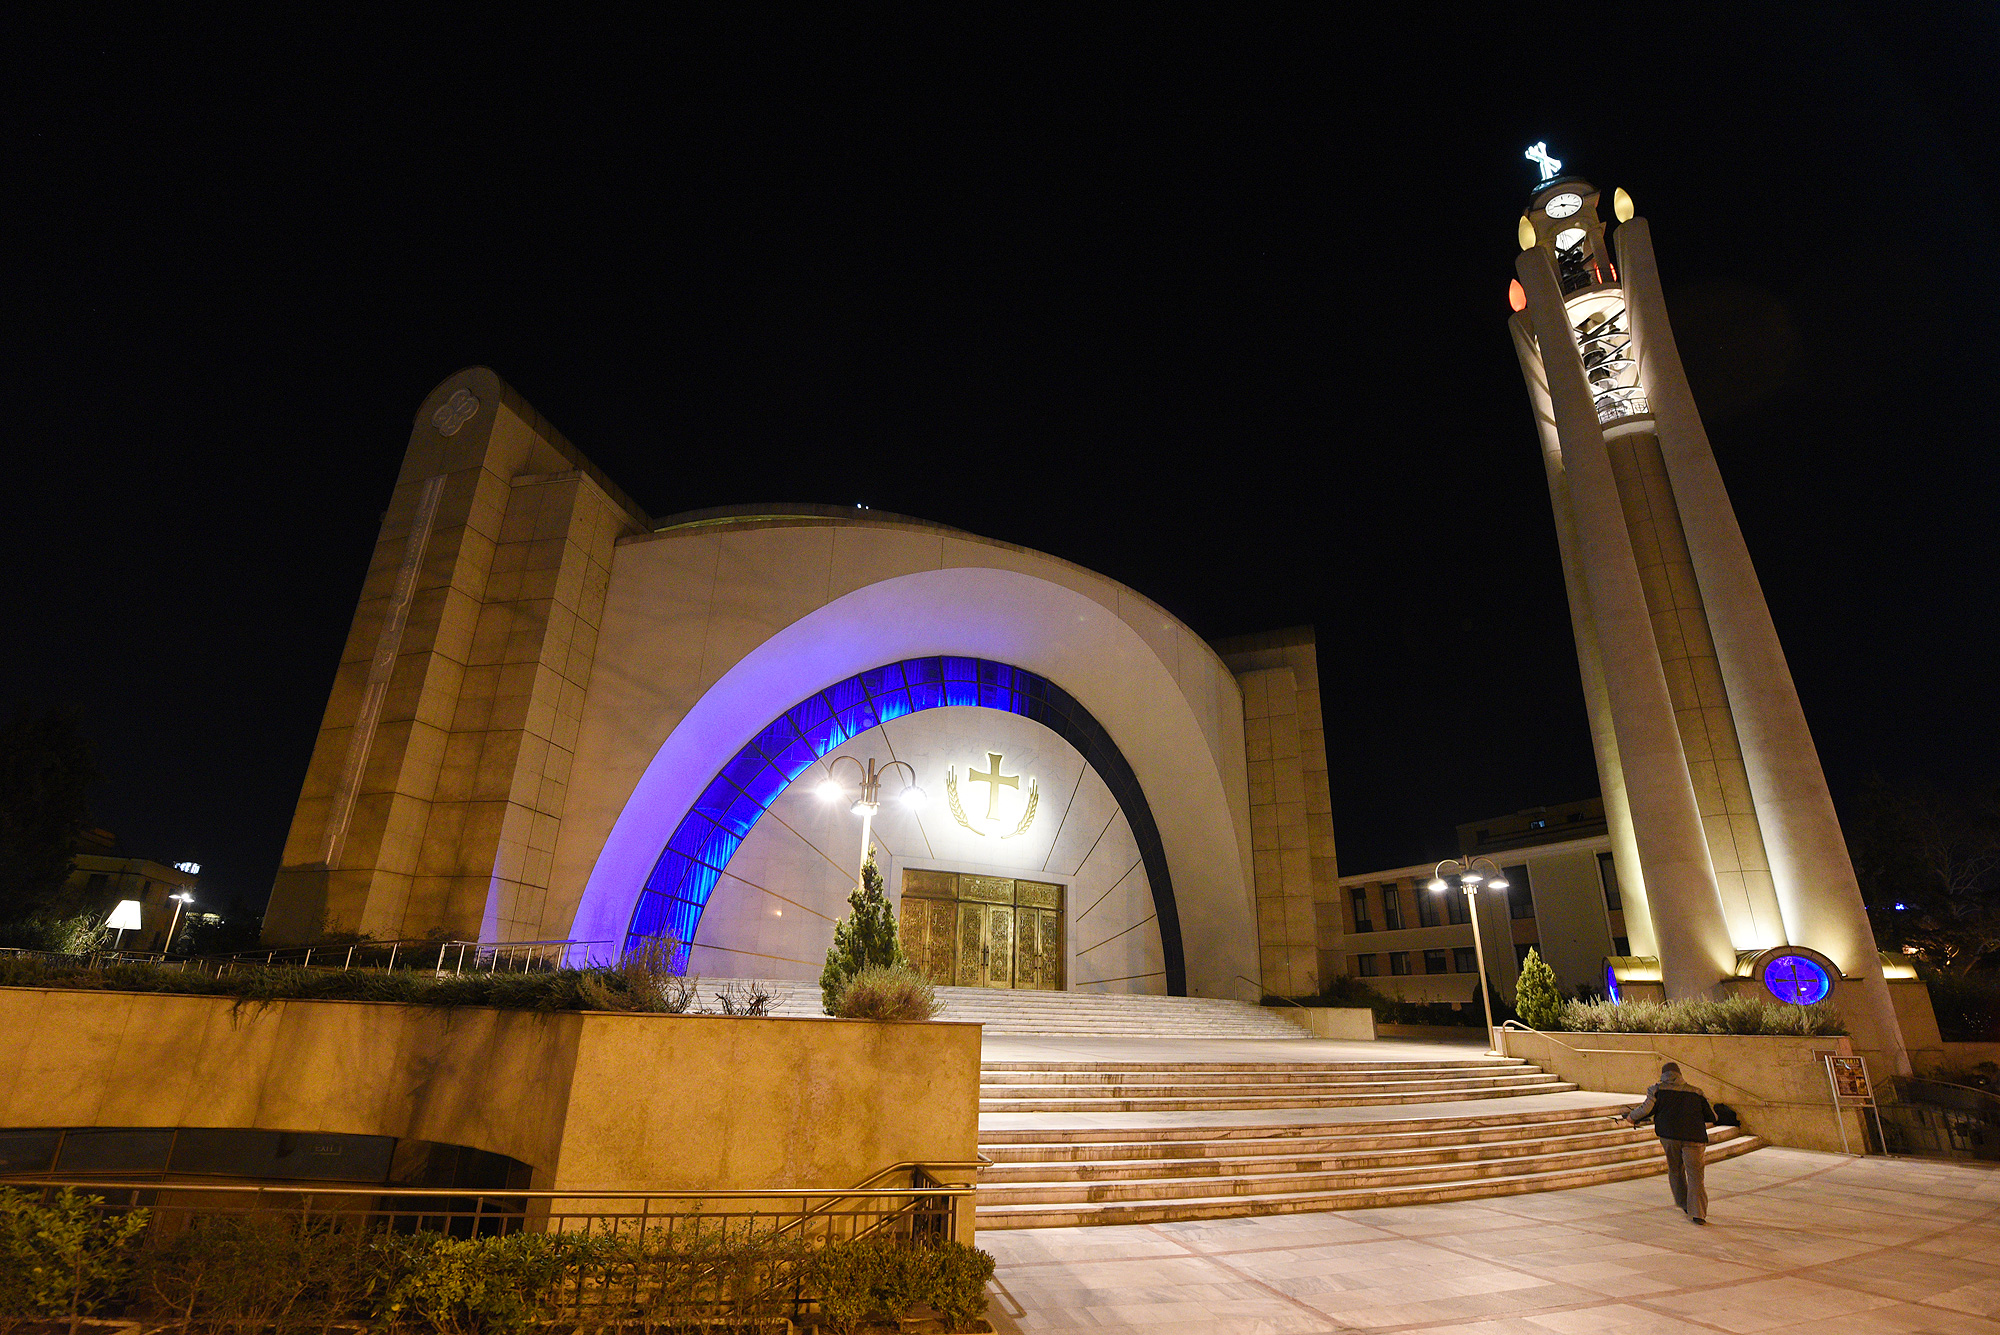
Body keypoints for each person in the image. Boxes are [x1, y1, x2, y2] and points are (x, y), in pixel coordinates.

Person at [1620, 1061, 1717, 1224]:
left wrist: (1631, 1117)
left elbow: (1645, 1109)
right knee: (1696, 1175)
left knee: (1675, 1169)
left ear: (1663, 1075)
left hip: (1669, 1136)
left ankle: (1684, 1203)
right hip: (1694, 1138)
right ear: (1680, 1074)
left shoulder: (1657, 1089)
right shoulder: (1696, 1092)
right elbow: (1712, 1116)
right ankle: (1698, 1213)